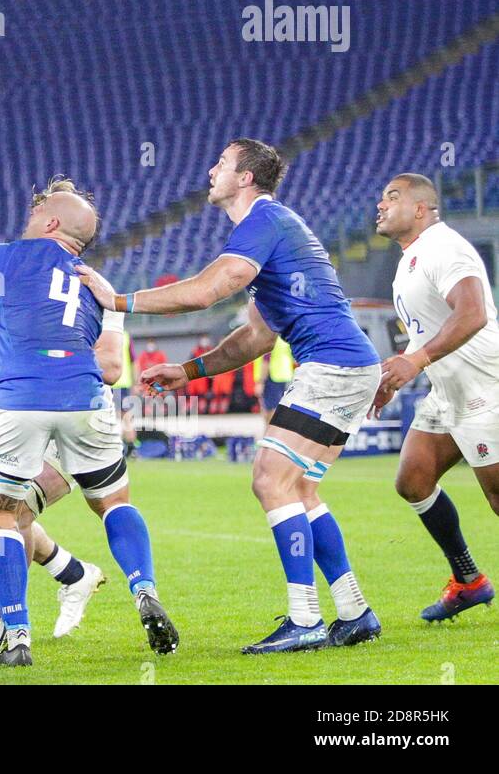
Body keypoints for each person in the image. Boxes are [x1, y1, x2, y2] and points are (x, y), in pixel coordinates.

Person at [80, 139, 382, 654]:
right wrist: (191, 370)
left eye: (221, 162)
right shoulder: (275, 229)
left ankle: (305, 618)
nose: (211, 169)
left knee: (269, 478)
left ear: (244, 177)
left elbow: (209, 287)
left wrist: (120, 300)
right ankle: (354, 612)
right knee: (300, 490)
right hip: (348, 364)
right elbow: (257, 338)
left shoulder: (263, 221)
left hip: (333, 365)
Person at [0, 179, 178, 665]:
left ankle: (18, 633)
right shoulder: (100, 286)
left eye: (39, 207)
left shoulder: (2, 257)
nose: (31, 212)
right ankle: (143, 589)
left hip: (20, 400)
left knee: (0, 515)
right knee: (113, 504)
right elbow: (110, 368)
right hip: (85, 399)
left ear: (50, 221)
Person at [374, 173, 497, 621]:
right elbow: (430, 327)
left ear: (421, 208)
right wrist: (398, 373)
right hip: (449, 389)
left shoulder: (445, 247)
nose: (381, 206)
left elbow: (474, 313)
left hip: (485, 385)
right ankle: (469, 580)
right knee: (413, 480)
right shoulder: (410, 260)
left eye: (392, 197)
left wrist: (417, 360)